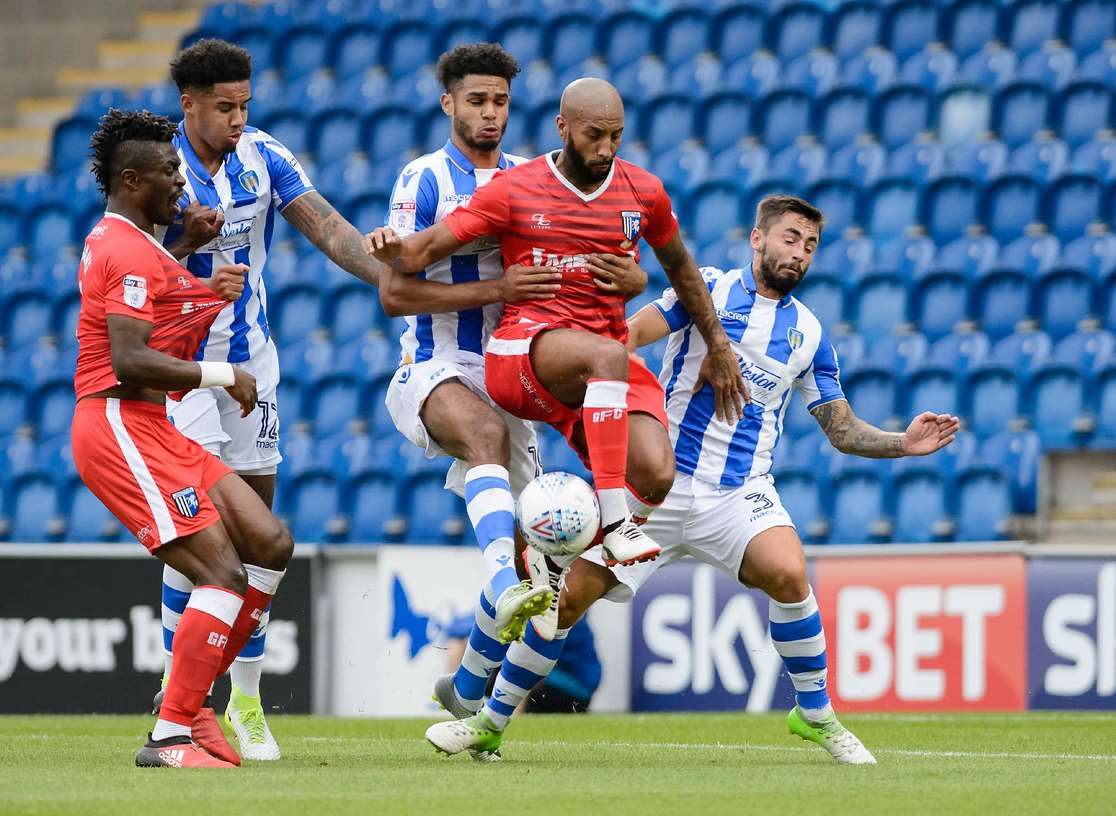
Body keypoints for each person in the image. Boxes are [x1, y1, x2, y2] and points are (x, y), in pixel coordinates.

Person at [424, 194, 961, 763]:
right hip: (657, 486)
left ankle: (816, 715)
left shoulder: (810, 335)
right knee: (564, 602)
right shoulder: (706, 288)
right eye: (789, 239)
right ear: (757, 239)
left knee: (789, 573)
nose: (798, 254)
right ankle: (488, 722)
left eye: (809, 245)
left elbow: (841, 428)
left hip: (739, 493)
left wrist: (902, 443)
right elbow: (623, 340)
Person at [378, 47, 648, 751]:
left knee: (542, 553)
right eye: (475, 101)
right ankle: (500, 584)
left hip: (511, 373)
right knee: (485, 448)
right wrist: (495, 290)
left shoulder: (535, 180)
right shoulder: (424, 178)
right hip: (433, 366)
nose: (489, 113)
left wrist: (630, 280)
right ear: (450, 106)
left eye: (498, 101)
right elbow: (395, 289)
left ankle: (466, 687)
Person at [367, 78, 746, 575]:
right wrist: (391, 247)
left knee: (656, 474)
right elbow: (420, 250)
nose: (606, 149)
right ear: (562, 127)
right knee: (608, 357)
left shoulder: (643, 191)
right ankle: (613, 526)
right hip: (522, 350)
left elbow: (681, 267)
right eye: (594, 135)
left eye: (616, 136)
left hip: (591, 368)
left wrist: (715, 341)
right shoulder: (516, 187)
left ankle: (543, 582)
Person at [151, 38, 380, 760]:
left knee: (260, 538)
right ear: (188, 104)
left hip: (254, 369)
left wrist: (390, 280)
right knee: (201, 536)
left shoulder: (264, 155)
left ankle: (245, 699)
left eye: (246, 104)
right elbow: (127, 265)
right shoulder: (156, 168)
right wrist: (183, 241)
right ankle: (176, 696)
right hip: (180, 371)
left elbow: (328, 227)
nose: (239, 118)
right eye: (225, 107)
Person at [72, 109, 294, 768]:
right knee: (221, 573)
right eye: (170, 172)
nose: (182, 182)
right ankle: (172, 732)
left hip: (150, 423)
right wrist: (223, 371)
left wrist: (196, 275)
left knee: (270, 542)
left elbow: (157, 325)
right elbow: (130, 359)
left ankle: (191, 703)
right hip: (117, 422)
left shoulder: (136, 246)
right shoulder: (123, 248)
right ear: (134, 179)